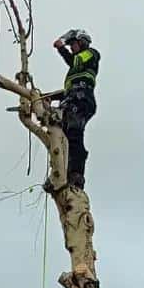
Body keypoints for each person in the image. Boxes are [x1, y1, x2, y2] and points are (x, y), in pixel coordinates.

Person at [51, 29, 100, 188]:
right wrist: (48, 97)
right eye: (70, 45)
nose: (71, 48)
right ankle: (60, 175)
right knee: (61, 139)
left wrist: (61, 47)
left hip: (82, 100)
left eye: (73, 44)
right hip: (72, 99)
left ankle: (76, 175)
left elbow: (74, 61)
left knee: (74, 134)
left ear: (82, 42)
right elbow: (68, 91)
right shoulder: (75, 73)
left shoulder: (91, 54)